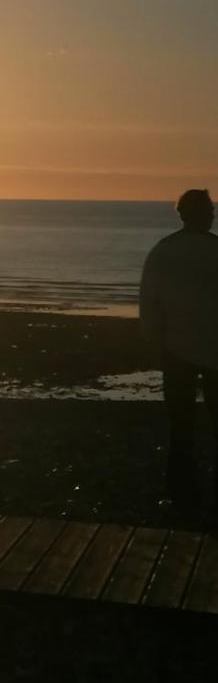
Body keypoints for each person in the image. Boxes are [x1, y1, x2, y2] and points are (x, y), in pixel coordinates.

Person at [139, 189, 218, 516]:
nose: (213, 214)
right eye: (210, 209)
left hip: (175, 350)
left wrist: (155, 342)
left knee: (181, 427)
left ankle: (182, 492)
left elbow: (150, 303)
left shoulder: (163, 250)